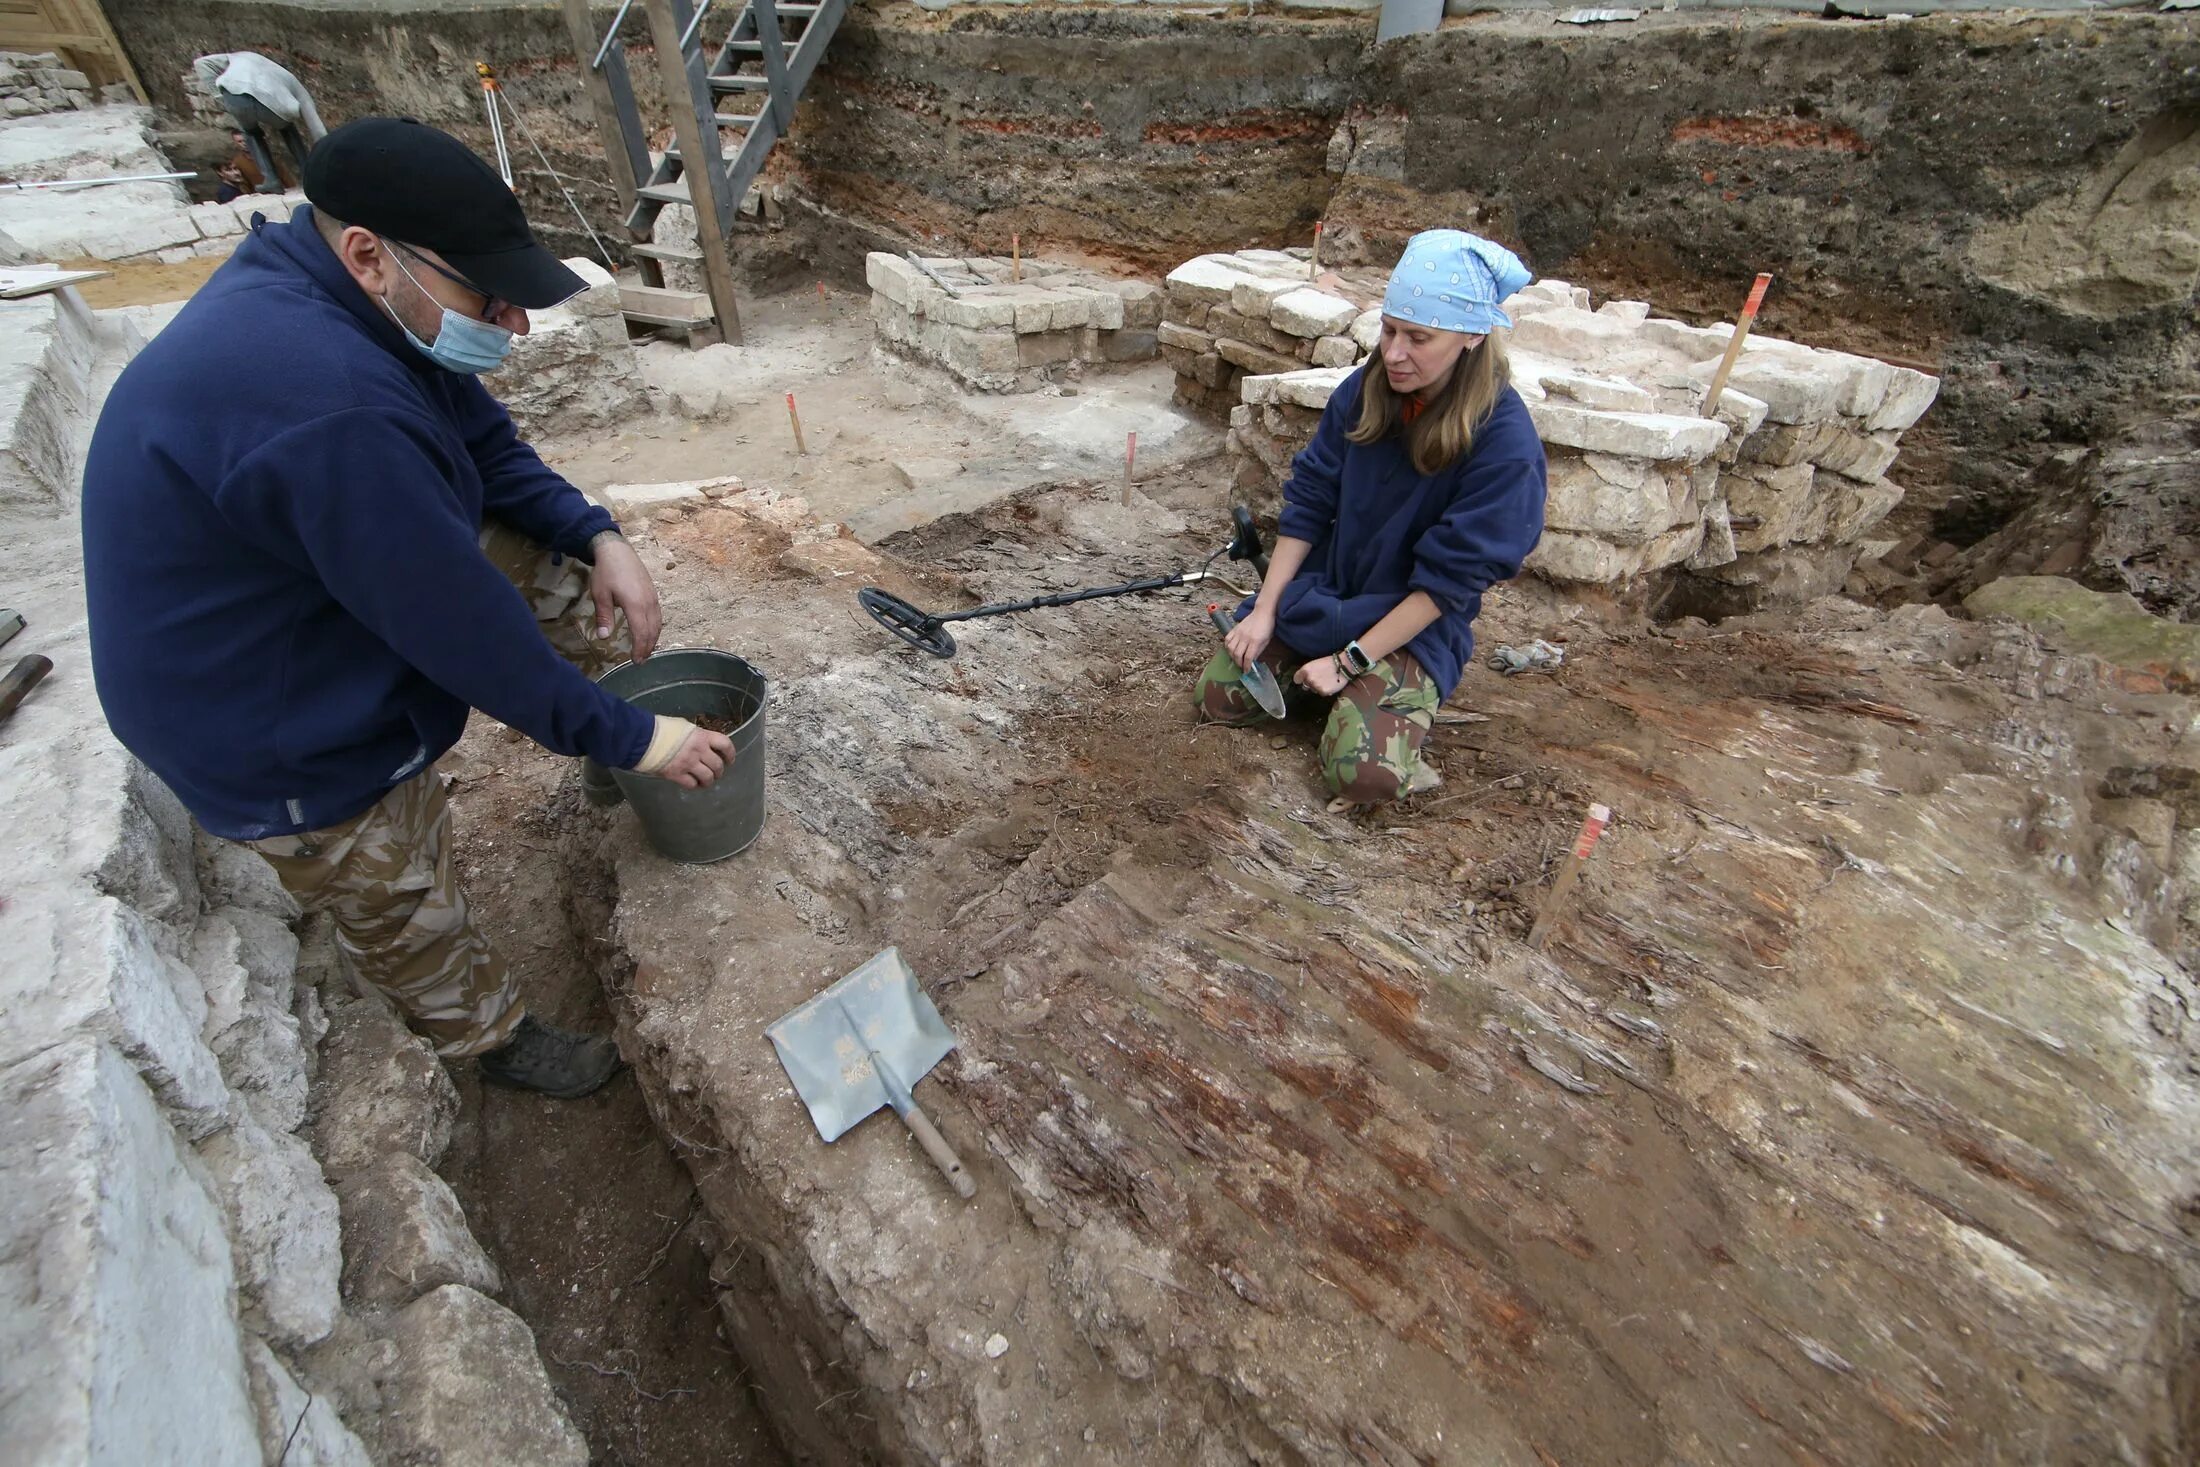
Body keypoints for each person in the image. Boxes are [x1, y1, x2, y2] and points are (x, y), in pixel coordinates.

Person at [81, 118, 734, 1099]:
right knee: (393, 880)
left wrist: (597, 533)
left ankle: (606, 746)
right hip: (256, 711)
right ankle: (489, 1039)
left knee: (541, 559)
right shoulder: (325, 405)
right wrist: (639, 740)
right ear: (368, 254)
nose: (514, 323)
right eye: (494, 297)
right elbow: (464, 636)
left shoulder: (347, 297)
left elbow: (482, 442)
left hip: (298, 582)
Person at [1195, 229, 1548, 807]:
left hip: (1410, 622)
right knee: (1221, 699)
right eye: (1388, 330)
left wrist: (1349, 661)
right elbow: (1309, 504)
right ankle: (1339, 694)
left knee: (1364, 779)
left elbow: (1446, 585)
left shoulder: (1505, 446)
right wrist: (1264, 611)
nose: (1393, 353)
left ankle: (1365, 702)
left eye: (1418, 337)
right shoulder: (1367, 391)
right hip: (1329, 591)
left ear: (1472, 337)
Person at [193, 51, 327, 193]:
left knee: (251, 133)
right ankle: (309, 173)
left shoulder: (239, 57)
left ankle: (271, 180)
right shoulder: (290, 79)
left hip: (236, 97)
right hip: (277, 108)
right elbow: (316, 126)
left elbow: (200, 63)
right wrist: (326, 150)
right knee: (288, 129)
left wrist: (219, 96)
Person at [213, 131, 263, 203]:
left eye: (236, 169)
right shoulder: (226, 192)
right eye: (240, 141)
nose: (236, 173)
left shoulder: (265, 155)